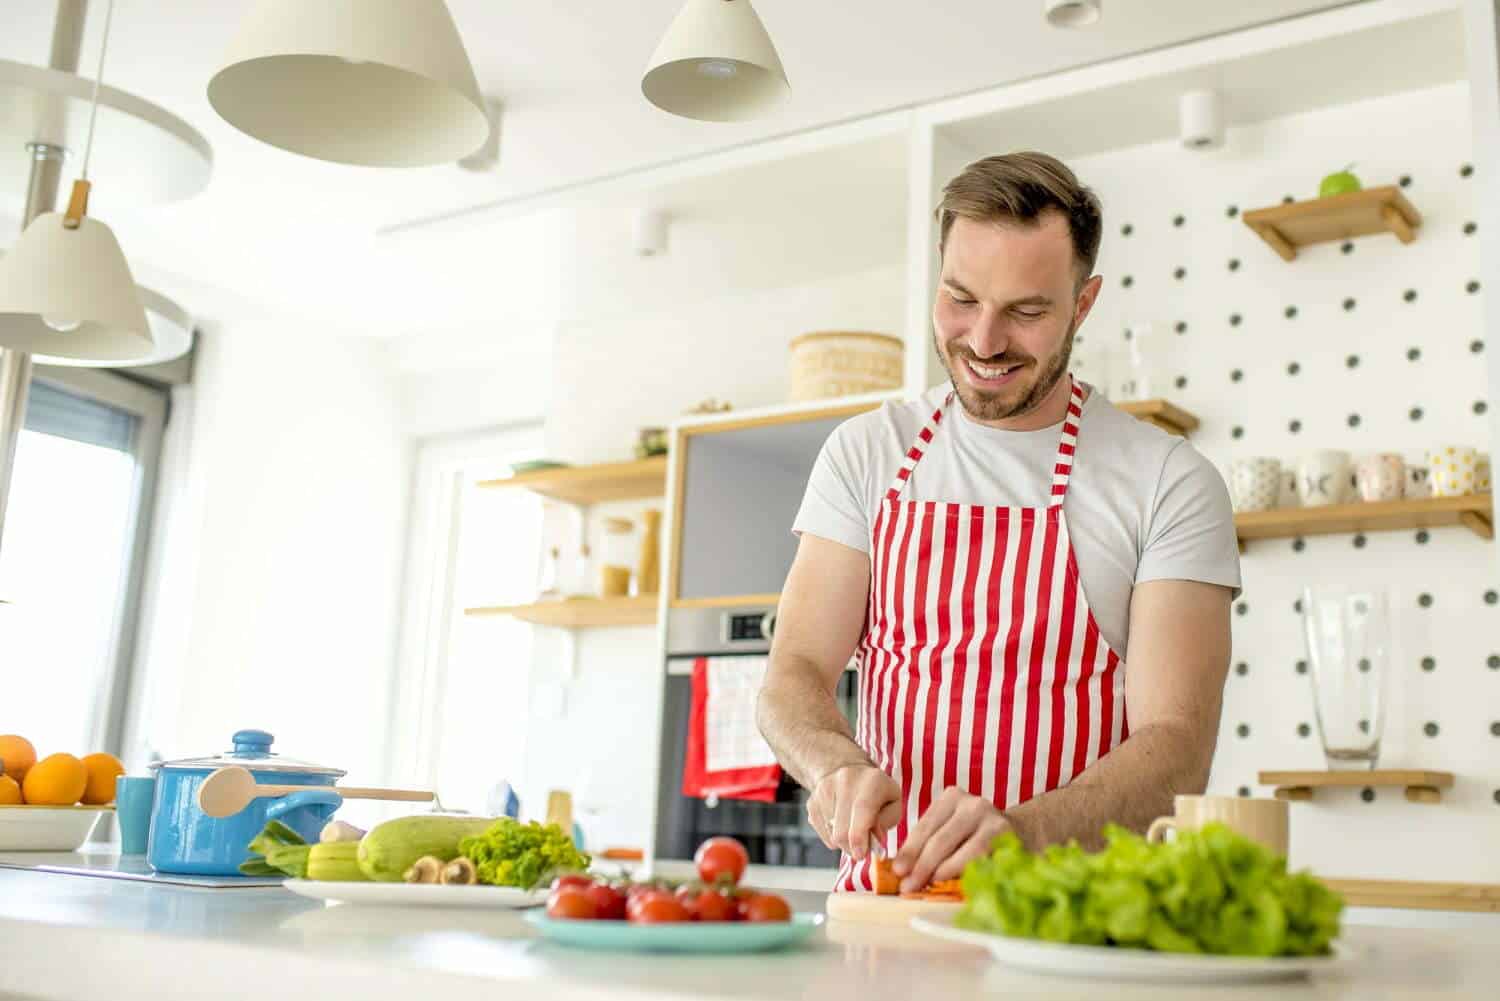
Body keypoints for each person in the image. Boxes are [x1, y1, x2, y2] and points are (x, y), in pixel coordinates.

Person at [757, 151, 1241, 894]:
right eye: (961, 298)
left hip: (1074, 924)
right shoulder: (868, 452)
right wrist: (835, 765)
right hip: (887, 912)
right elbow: (791, 674)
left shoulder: (1168, 481)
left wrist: (1021, 836)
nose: (983, 341)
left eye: (1026, 311)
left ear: (1083, 305)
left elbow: (1176, 747)